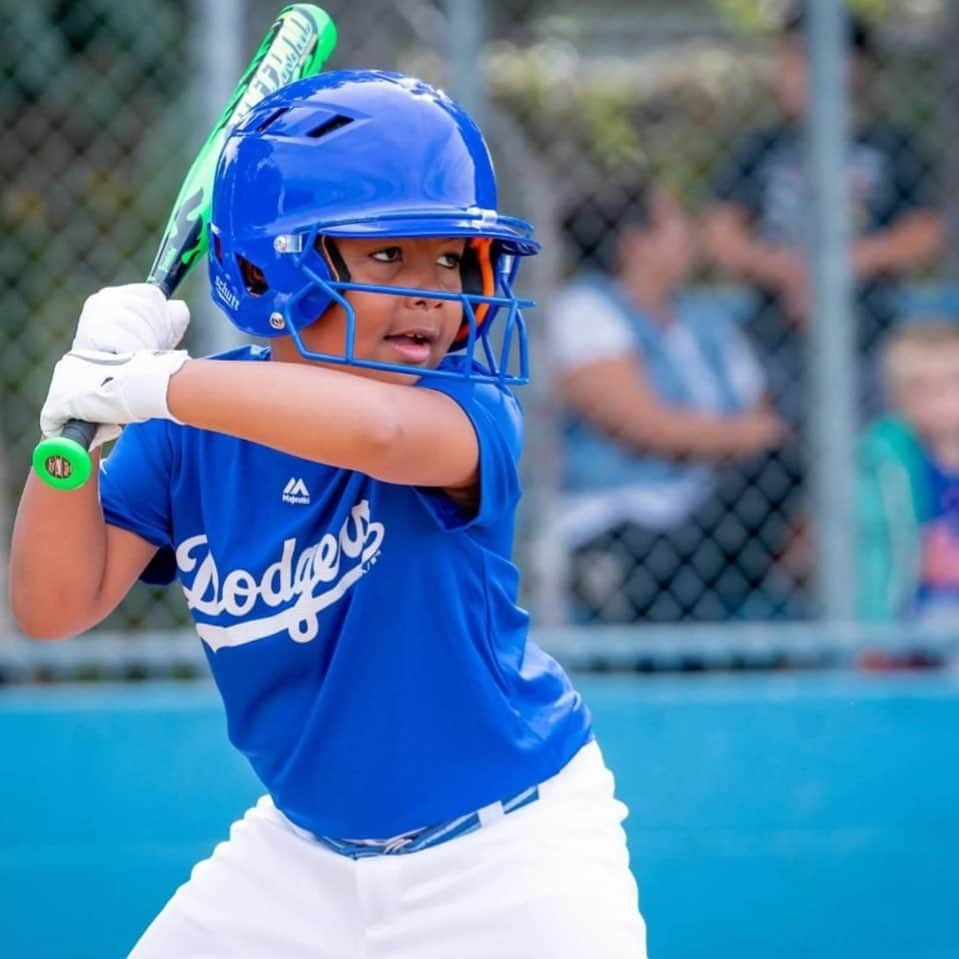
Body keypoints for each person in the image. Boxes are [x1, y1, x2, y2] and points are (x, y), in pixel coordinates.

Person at [8, 72, 647, 958]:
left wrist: (161, 384)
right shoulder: (187, 434)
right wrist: (72, 426)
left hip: (509, 854)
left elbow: (380, 434)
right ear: (271, 263)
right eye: (389, 255)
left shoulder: (464, 404)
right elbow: (51, 607)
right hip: (299, 860)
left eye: (452, 257)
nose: (433, 290)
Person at [549, 176, 791, 623]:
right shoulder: (585, 310)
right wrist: (744, 436)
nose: (690, 234)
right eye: (675, 223)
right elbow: (645, 427)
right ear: (635, 243)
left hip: (708, 507)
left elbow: (763, 419)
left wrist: (749, 437)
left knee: (787, 465)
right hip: (621, 515)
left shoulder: (704, 319)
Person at [703, 3, 944, 426]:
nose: (787, 72)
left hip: (868, 332)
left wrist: (838, 267)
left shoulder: (891, 145)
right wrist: (786, 269)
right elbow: (720, 235)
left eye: (802, 57)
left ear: (850, 67)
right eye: (786, 57)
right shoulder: (761, 146)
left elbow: (925, 233)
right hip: (776, 333)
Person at [859, 322, 959, 628]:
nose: (938, 399)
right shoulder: (887, 460)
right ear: (897, 398)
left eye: (951, 382)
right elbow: (884, 554)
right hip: (923, 605)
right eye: (920, 387)